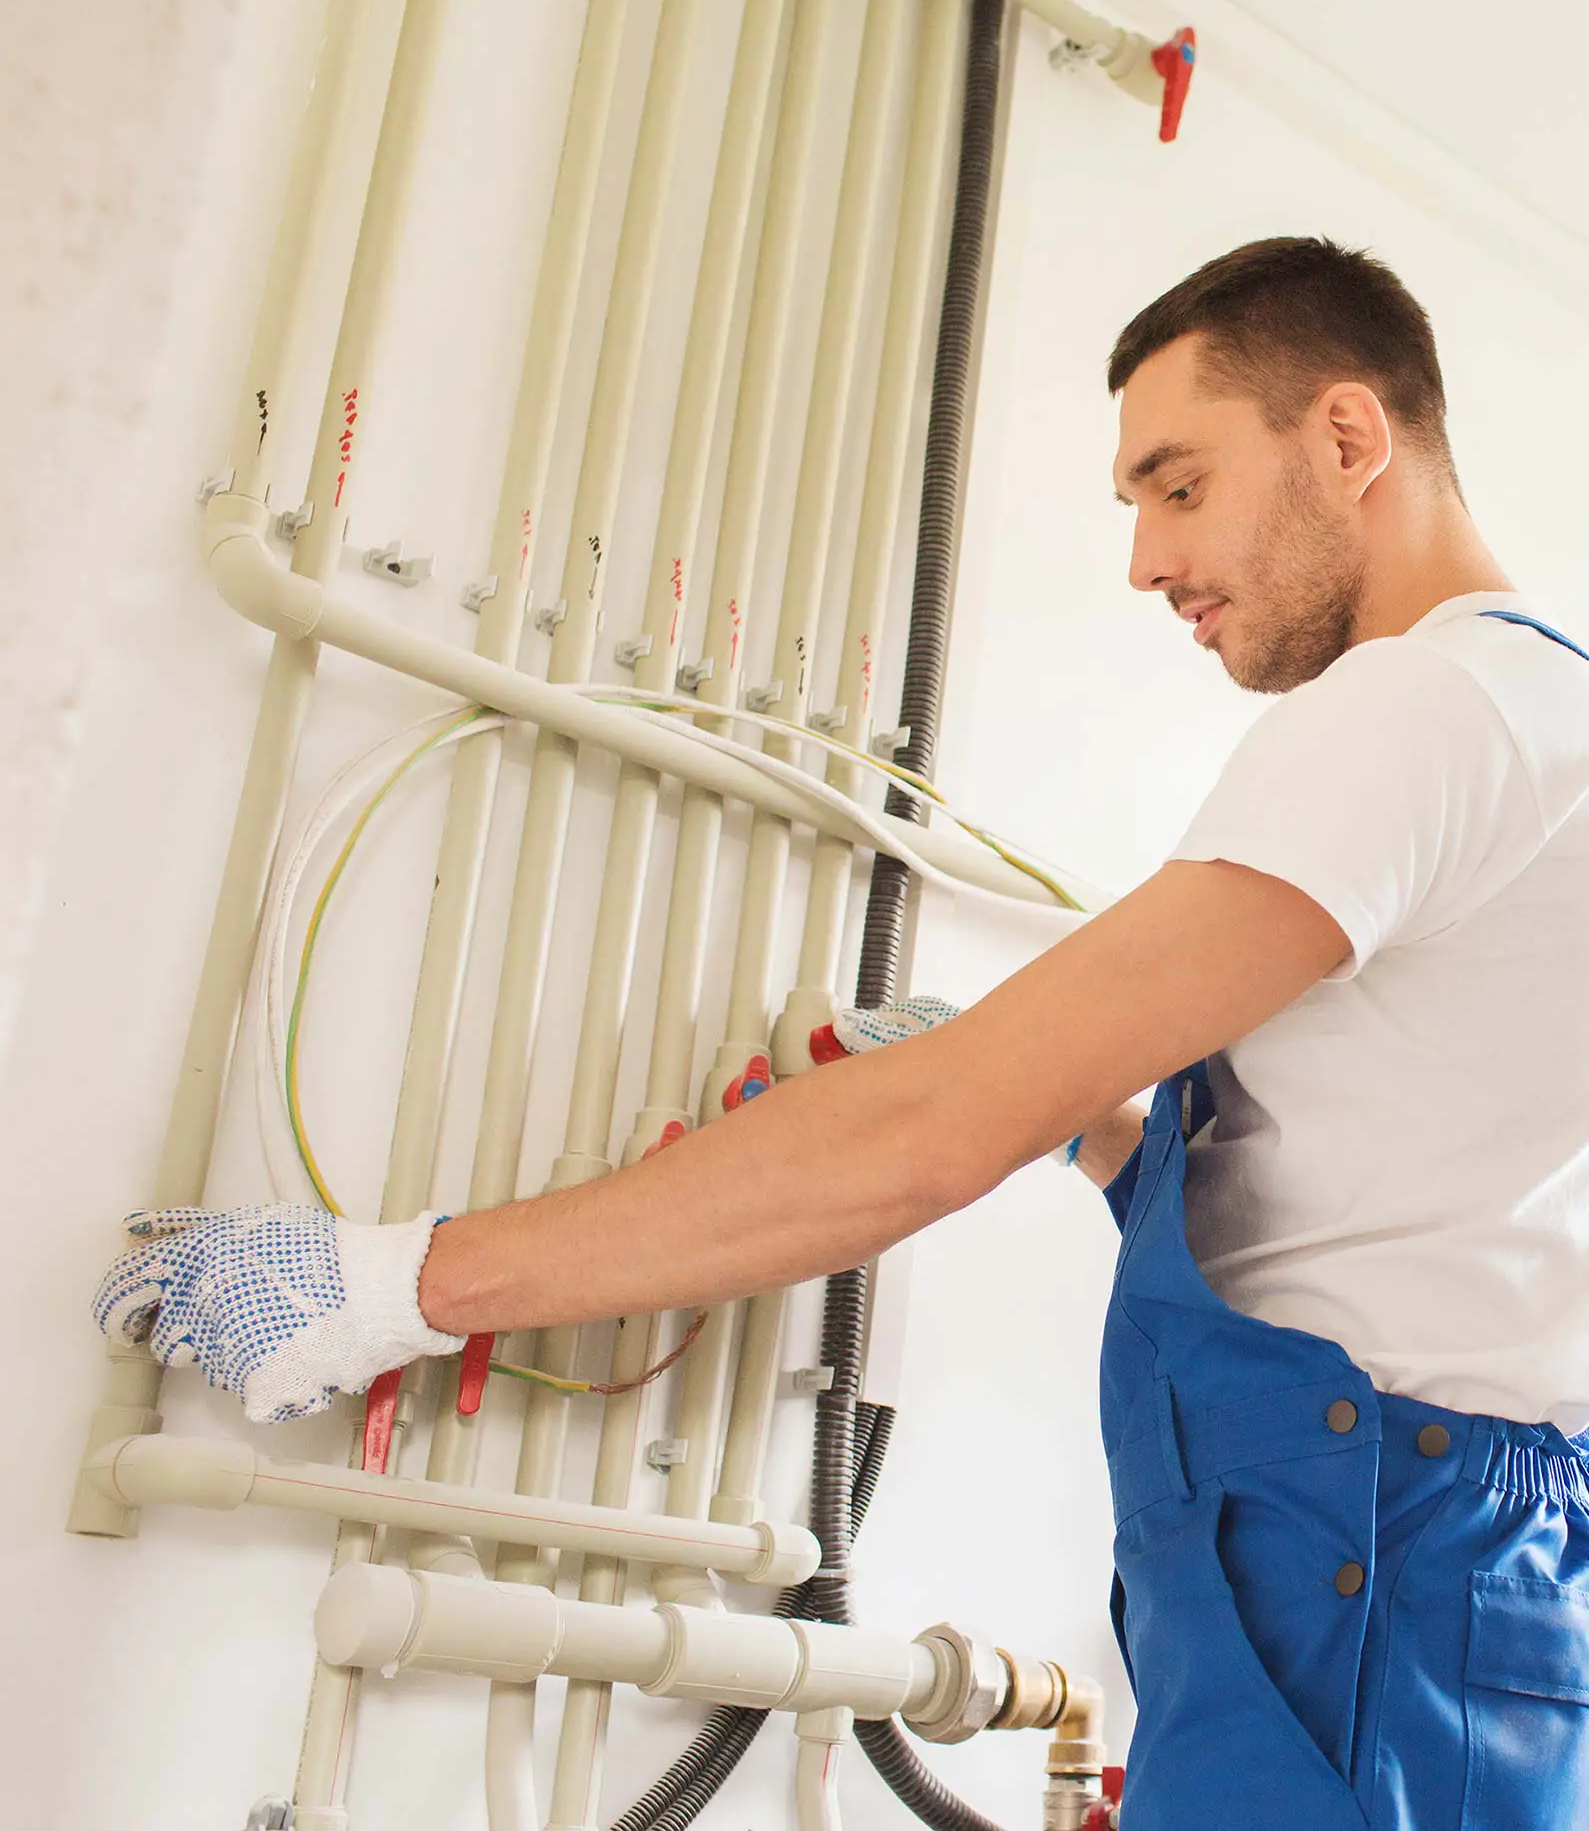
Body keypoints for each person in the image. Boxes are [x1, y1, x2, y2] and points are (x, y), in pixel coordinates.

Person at [96, 238, 1589, 1829]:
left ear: (1349, 441)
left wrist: (387, 1284)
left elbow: (928, 1132)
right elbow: (1413, 1169)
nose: (1147, 560)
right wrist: (1104, 1136)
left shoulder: (1420, 710)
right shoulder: (1543, 712)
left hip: (1363, 1556)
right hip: (1445, 1563)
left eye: (1179, 484)